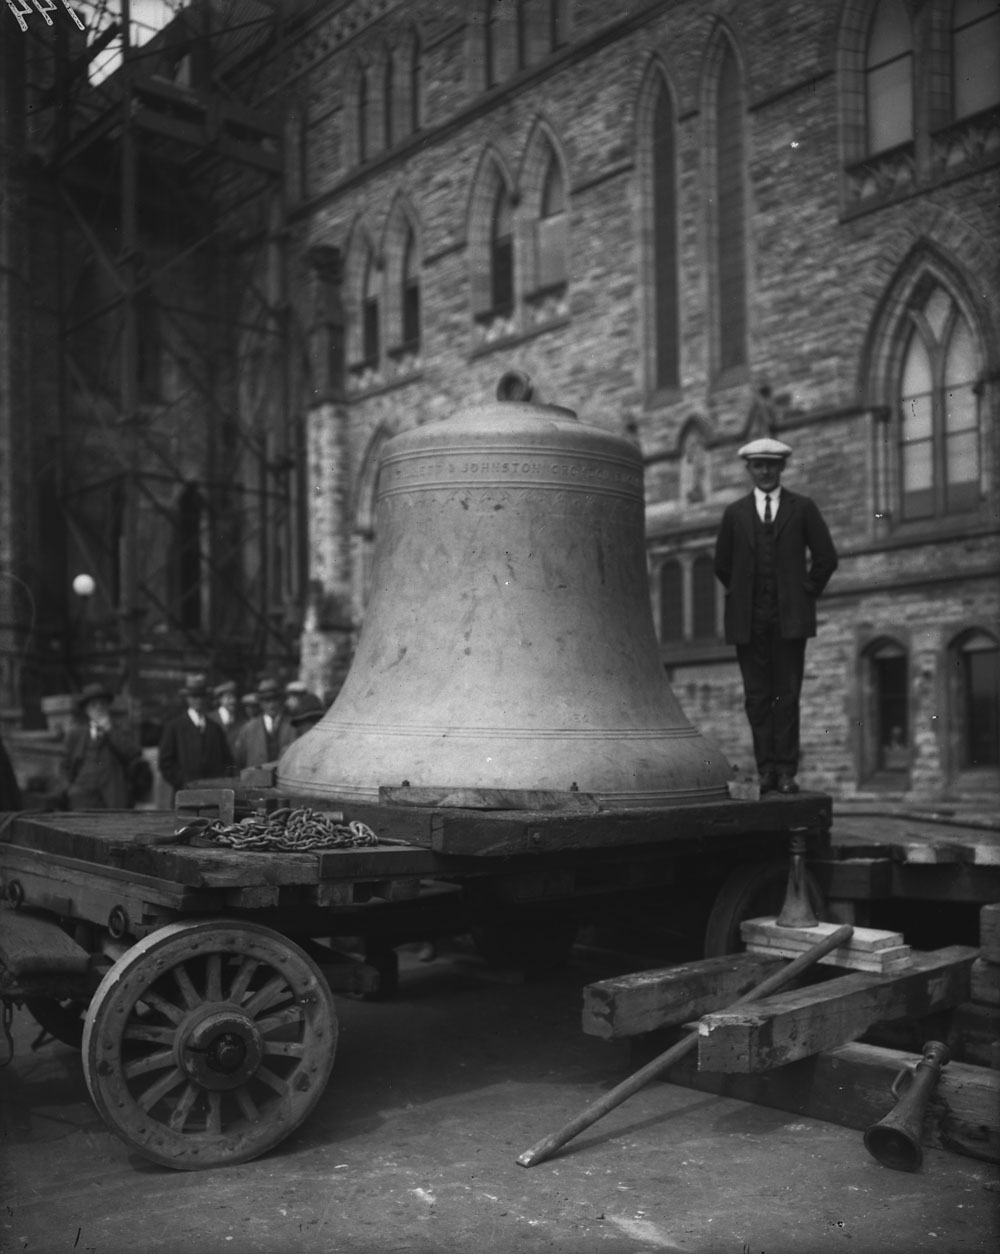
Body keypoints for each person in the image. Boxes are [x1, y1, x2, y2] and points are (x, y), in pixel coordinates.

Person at [714, 437, 838, 795]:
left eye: (771, 464)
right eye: (758, 465)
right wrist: (744, 597)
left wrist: (804, 592)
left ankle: (786, 771)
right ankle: (765, 769)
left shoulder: (802, 508)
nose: (765, 471)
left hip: (789, 621)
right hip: (749, 622)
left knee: (786, 696)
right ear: (749, 469)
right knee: (757, 697)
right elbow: (724, 565)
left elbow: (826, 558)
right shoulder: (734, 514)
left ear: (782, 467)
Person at [61, 682, 144, 809]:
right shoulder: (76, 734)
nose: (99, 708)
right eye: (94, 705)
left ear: (108, 707)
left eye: (102, 704)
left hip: (113, 796)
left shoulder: (120, 729)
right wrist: (69, 789)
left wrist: (110, 730)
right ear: (86, 710)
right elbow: (65, 765)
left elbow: (133, 753)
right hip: (82, 795)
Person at [158, 674, 234, 795]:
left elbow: (228, 761)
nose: (198, 700)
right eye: (194, 696)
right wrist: (183, 782)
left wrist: (220, 782)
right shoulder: (175, 727)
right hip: (184, 794)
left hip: (213, 795)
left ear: (206, 698)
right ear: (187, 698)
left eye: (201, 696)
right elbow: (165, 763)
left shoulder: (215, 729)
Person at [233, 677, 297, 770]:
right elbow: (239, 761)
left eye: (275, 699)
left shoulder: (293, 726)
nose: (272, 705)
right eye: (267, 700)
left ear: (281, 700)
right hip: (256, 782)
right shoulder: (249, 729)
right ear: (260, 703)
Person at [211, 679, 244, 753]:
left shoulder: (241, 720)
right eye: (228, 697)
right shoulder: (210, 719)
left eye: (234, 697)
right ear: (220, 699)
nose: (233, 701)